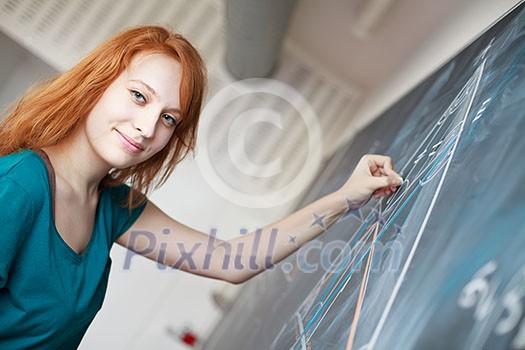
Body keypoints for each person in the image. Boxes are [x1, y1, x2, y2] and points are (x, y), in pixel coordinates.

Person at [0, 25, 402, 348]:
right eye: (139, 96)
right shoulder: (18, 186)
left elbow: (231, 261)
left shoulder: (114, 206)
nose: (146, 128)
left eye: (168, 119)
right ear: (96, 84)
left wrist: (346, 197)